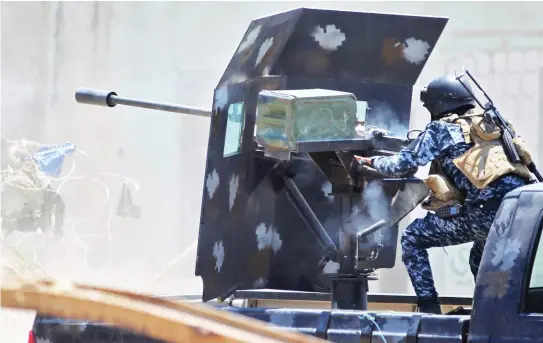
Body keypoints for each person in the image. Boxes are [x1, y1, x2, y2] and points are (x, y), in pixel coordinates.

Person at [354, 75, 532, 314]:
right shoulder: (493, 125)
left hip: (486, 213)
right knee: (479, 257)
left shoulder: (443, 128)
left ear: (438, 105)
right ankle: (494, 310)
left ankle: (430, 310)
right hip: (519, 212)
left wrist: (371, 161)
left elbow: (402, 166)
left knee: (413, 237)